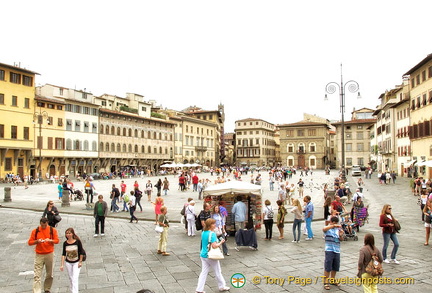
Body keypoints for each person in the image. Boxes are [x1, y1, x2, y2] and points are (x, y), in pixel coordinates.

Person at [195, 218, 230, 293]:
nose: (215, 225)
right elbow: (214, 246)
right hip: (210, 255)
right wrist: (221, 242)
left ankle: (199, 289)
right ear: (210, 225)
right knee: (217, 271)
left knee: (203, 272)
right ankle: (222, 286)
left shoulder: (203, 232)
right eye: (213, 224)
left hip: (203, 254)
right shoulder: (212, 234)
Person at [27, 217, 60, 293]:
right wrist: (37, 241)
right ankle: (37, 291)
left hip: (49, 254)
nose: (43, 227)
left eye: (45, 225)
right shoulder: (35, 231)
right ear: (40, 223)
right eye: (42, 225)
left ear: (47, 223)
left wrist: (50, 240)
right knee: (37, 274)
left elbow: (57, 240)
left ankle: (47, 289)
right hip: (39, 254)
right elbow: (30, 242)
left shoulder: (52, 230)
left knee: (49, 274)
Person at [60, 228, 85, 293]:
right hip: (68, 262)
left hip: (76, 262)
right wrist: (62, 264)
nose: (68, 235)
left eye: (69, 233)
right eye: (67, 233)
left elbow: (81, 252)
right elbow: (63, 254)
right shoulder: (65, 243)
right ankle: (72, 290)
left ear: (72, 234)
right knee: (71, 278)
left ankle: (75, 291)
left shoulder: (77, 242)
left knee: (75, 278)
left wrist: (80, 261)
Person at [322, 216, 344, 290]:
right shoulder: (327, 228)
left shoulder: (338, 230)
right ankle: (326, 282)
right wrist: (333, 226)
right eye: (333, 222)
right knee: (328, 266)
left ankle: (332, 280)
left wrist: (341, 235)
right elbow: (323, 229)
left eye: (336, 223)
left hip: (337, 250)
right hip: (329, 249)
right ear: (330, 222)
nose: (335, 224)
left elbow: (341, 239)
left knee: (335, 266)